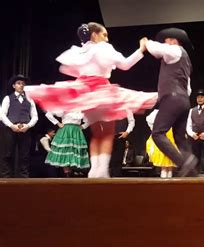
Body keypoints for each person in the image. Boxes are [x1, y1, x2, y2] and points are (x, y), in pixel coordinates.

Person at [24, 22, 157, 178]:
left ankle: (95, 169)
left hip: (84, 91)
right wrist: (141, 49)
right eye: (104, 35)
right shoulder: (103, 48)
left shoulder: (80, 51)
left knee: (97, 133)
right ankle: (101, 170)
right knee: (106, 133)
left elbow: (71, 69)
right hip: (100, 90)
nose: (107, 39)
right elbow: (125, 65)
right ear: (94, 34)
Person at [146, 27, 197, 177]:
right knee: (180, 138)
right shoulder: (186, 61)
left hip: (173, 98)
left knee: (158, 133)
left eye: (166, 40)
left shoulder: (175, 50)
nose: (165, 43)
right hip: (183, 100)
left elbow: (155, 49)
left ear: (173, 40)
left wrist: (145, 42)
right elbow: (188, 88)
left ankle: (184, 163)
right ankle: (191, 168)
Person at [0, 74, 38, 177]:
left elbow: (35, 116)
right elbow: (2, 114)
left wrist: (28, 126)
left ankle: (24, 179)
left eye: (23, 84)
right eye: (18, 83)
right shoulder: (8, 98)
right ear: (14, 86)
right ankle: (5, 178)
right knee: (7, 154)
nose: (21, 85)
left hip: (25, 130)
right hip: (10, 129)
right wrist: (12, 125)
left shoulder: (30, 100)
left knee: (24, 156)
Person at [45, 110, 90, 177]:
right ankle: (67, 174)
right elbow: (48, 114)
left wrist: (83, 126)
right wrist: (58, 123)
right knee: (65, 151)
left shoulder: (81, 107)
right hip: (66, 130)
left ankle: (71, 173)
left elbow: (90, 119)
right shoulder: (64, 105)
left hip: (76, 131)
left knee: (74, 152)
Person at [146, 109, 176, 178]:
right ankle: (164, 173)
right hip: (162, 133)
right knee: (163, 154)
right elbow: (149, 119)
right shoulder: (157, 111)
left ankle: (169, 173)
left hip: (171, 134)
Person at [110, 110, 135, 177]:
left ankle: (116, 180)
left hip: (120, 136)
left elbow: (132, 121)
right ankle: (109, 180)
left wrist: (127, 132)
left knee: (118, 160)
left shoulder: (126, 108)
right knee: (109, 160)